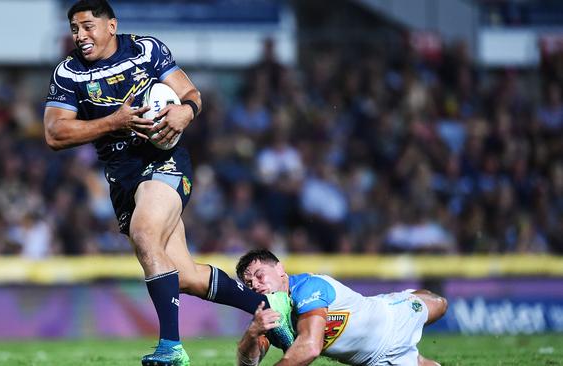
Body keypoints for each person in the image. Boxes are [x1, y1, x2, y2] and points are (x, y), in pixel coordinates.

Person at [43, 1, 293, 365]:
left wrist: (184, 112)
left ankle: (171, 348)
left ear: (111, 26)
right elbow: (55, 133)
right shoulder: (68, 73)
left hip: (165, 161)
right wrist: (115, 121)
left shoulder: (146, 50)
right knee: (185, 275)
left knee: (146, 232)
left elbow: (192, 95)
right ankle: (267, 308)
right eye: (75, 29)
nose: (80, 36)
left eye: (88, 26)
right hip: (122, 178)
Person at [235, 249, 448, 366]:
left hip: (394, 318)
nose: (256, 284)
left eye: (259, 275)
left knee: (440, 303)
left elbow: (310, 347)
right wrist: (253, 333)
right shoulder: (266, 314)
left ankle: (400, 296)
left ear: (280, 269)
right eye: (250, 284)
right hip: (373, 361)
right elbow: (248, 363)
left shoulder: (307, 288)